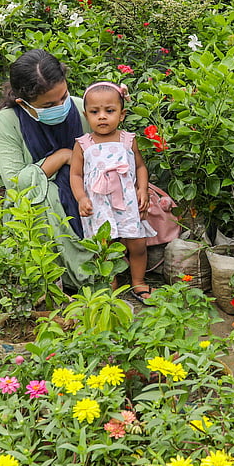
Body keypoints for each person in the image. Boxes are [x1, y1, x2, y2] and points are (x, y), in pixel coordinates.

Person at [0, 49, 93, 288]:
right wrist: (61, 157)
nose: (61, 105)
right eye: (49, 104)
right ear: (24, 103)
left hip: (86, 197)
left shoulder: (81, 109)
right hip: (39, 210)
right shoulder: (9, 121)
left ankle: (97, 267)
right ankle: (55, 277)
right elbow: (16, 184)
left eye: (63, 97)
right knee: (44, 195)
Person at [69, 81, 157, 302]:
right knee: (105, 248)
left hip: (127, 203)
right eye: (94, 112)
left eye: (109, 111)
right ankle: (111, 284)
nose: (102, 117)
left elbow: (140, 167)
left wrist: (143, 190)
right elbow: (76, 175)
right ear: (85, 114)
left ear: (122, 114)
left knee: (137, 244)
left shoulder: (128, 140)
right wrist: (81, 198)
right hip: (99, 206)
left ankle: (138, 282)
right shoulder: (83, 144)